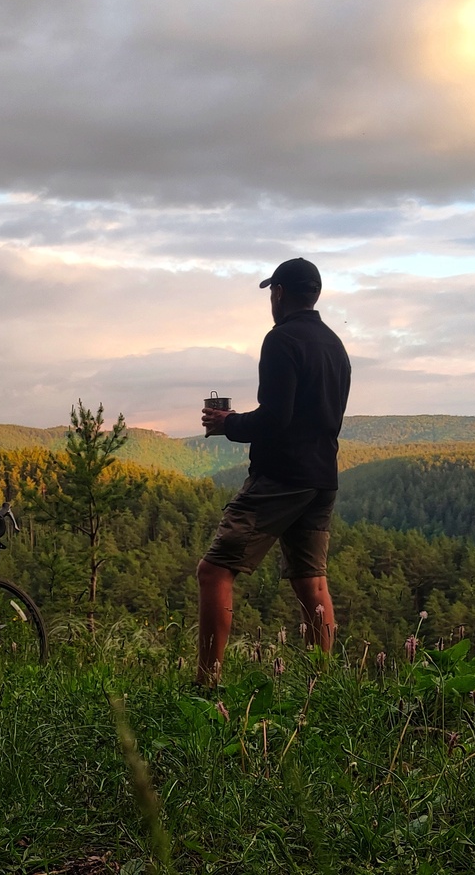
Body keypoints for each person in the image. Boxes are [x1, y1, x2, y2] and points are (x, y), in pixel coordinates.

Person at [196, 257, 351, 688]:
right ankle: (320, 684)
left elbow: (276, 419)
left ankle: (208, 683)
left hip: (281, 478)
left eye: (271, 293)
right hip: (323, 478)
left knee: (214, 570)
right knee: (312, 582)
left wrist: (229, 424)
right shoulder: (334, 344)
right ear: (315, 294)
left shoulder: (281, 340)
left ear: (279, 293)